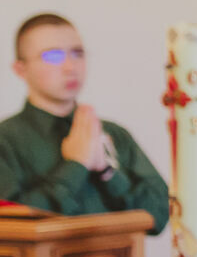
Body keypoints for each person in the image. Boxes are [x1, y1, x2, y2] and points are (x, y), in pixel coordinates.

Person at [0, 14, 170, 234]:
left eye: (77, 53)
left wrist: (108, 172)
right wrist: (75, 165)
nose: (70, 67)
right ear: (20, 69)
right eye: (53, 56)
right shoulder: (6, 140)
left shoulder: (112, 134)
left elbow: (160, 214)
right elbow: (10, 227)